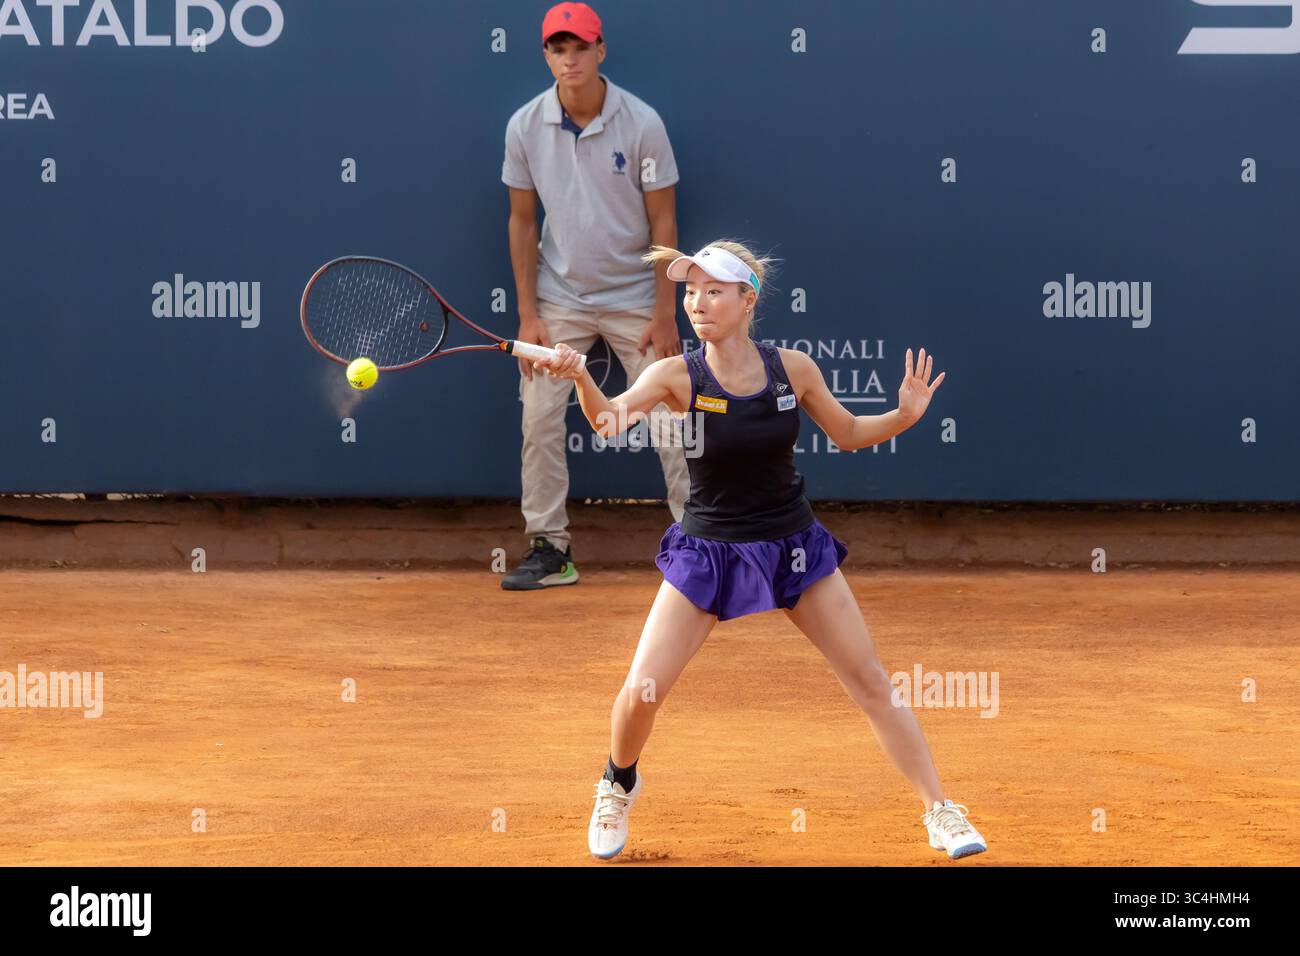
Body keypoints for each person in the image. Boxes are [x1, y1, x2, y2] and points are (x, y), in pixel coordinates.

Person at [530, 239, 988, 862]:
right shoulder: (675, 374)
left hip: (792, 545)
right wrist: (583, 375)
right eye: (690, 291)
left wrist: (903, 418)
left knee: (871, 681)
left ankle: (940, 810)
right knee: (642, 691)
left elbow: (847, 432)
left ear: (748, 301)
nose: (697, 302)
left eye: (714, 291)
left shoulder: (792, 368)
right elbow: (607, 422)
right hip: (709, 550)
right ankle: (617, 782)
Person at [499, 1, 689, 590]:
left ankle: (701, 542)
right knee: (539, 417)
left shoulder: (642, 123)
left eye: (580, 47)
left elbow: (665, 226)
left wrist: (665, 313)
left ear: (600, 51)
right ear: (546, 57)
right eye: (559, 48)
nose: (570, 58)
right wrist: (529, 315)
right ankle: (551, 548)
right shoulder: (524, 126)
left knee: (674, 419)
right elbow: (522, 223)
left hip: (637, 294)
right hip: (560, 299)